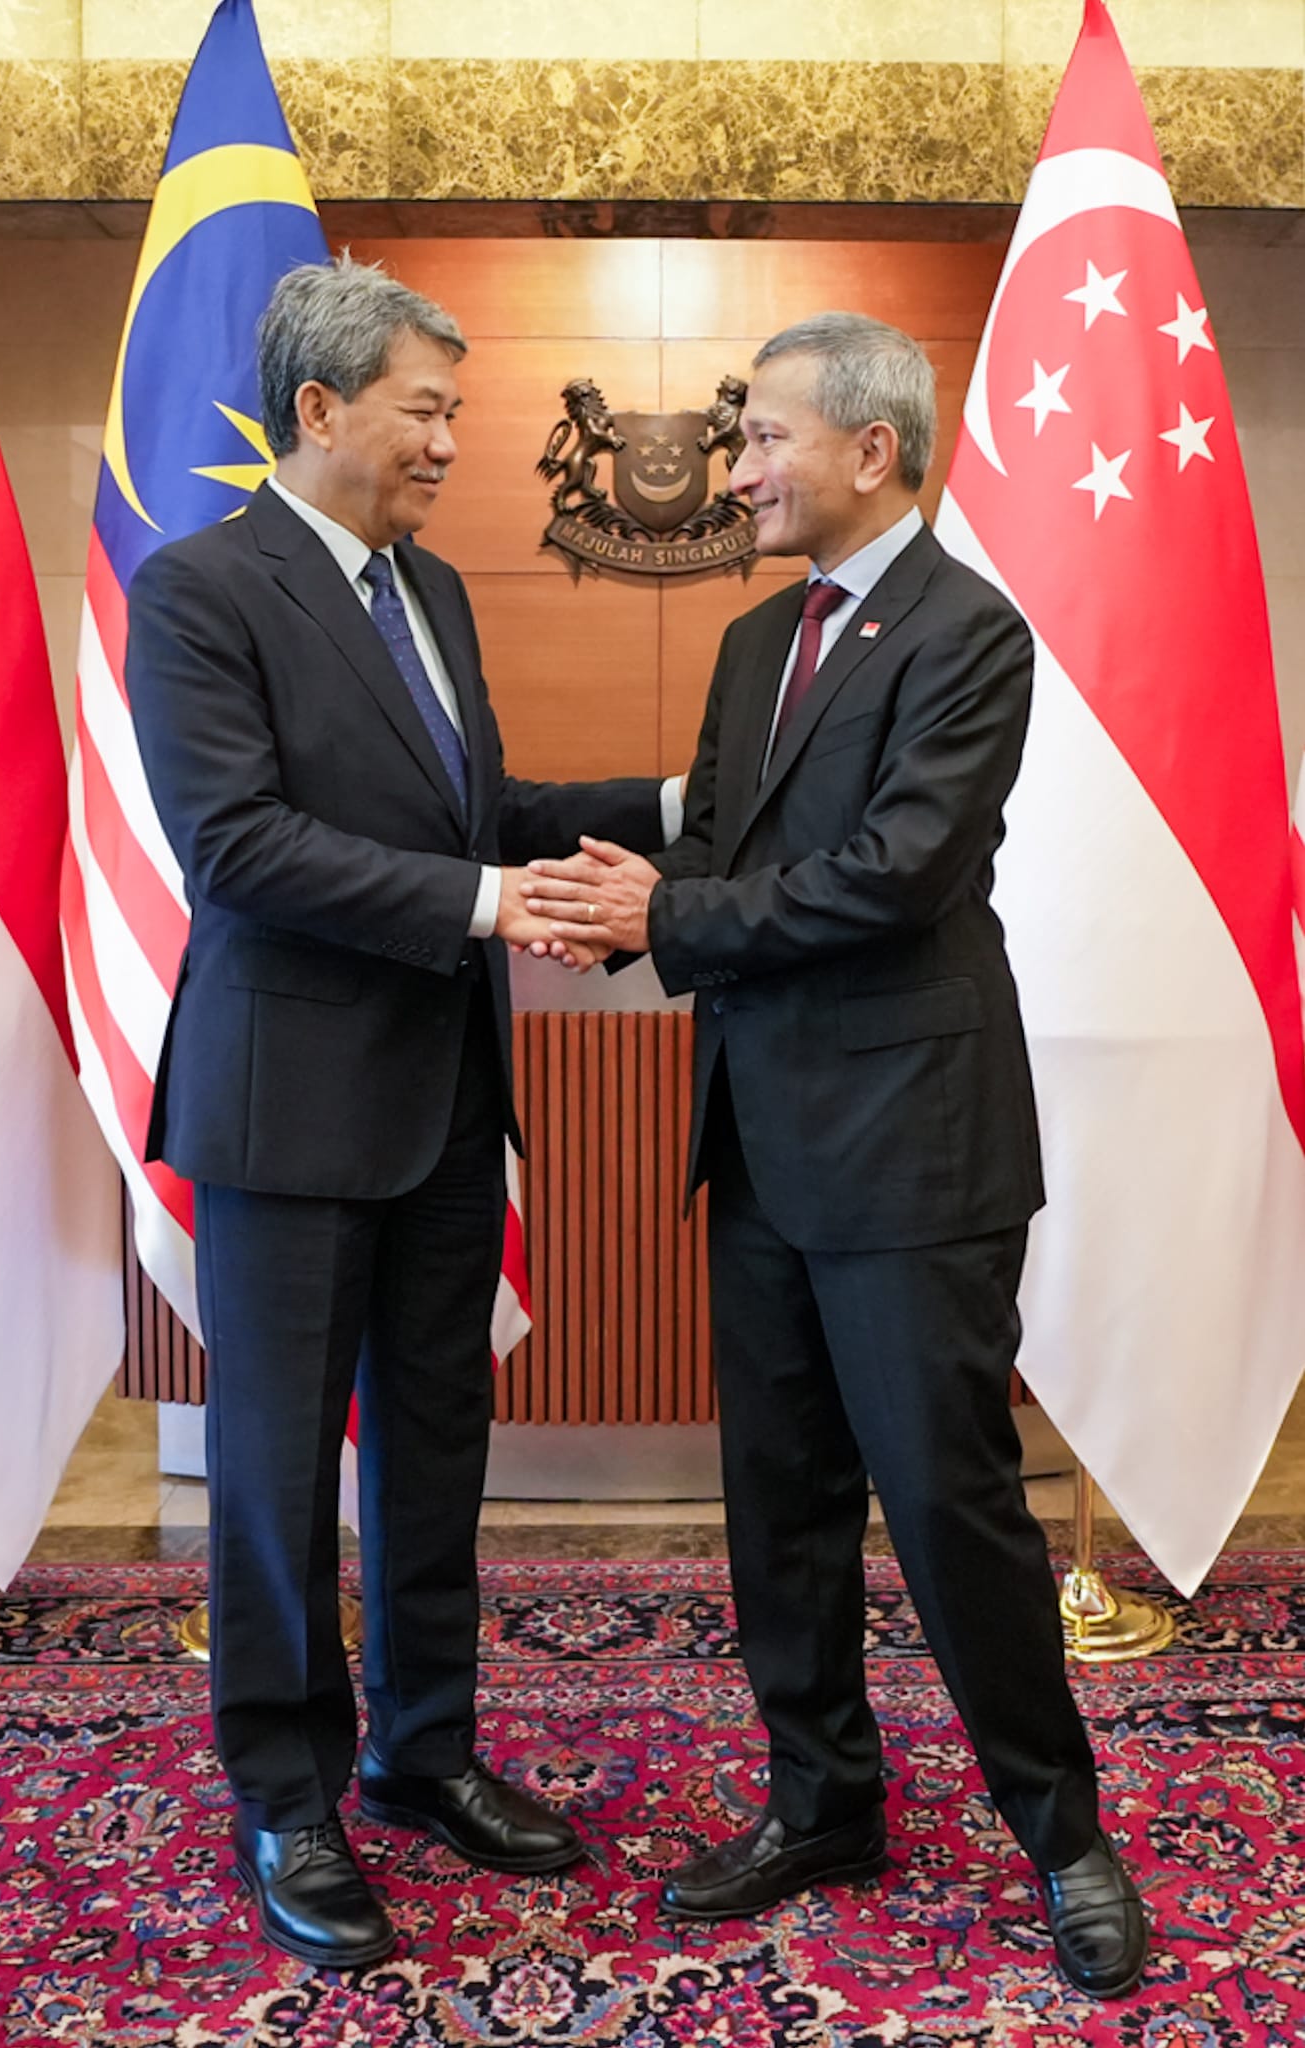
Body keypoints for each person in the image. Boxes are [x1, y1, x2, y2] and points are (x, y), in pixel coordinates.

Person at [525, 311, 1148, 2000]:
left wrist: (666, 919)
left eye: (760, 440)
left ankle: (1061, 1835)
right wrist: (608, 904)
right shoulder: (753, 643)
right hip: (759, 1144)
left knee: (948, 1508)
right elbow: (724, 851)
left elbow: (895, 872)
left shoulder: (967, 631)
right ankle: (823, 1803)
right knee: (779, 1506)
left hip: (912, 1154)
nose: (737, 472)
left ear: (869, 449)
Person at [127, 254, 679, 1969]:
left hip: (445, 1100)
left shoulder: (428, 589)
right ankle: (286, 1797)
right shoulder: (199, 591)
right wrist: (487, 906)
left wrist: (679, 799)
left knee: (437, 1447)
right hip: (288, 1112)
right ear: (319, 407)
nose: (450, 441)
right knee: (279, 1474)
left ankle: (421, 1754)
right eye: (425, 410)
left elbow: (476, 810)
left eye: (454, 410)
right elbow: (239, 846)